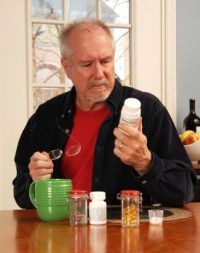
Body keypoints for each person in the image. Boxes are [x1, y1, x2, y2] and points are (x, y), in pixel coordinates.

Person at [13, 19, 196, 209]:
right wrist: (34, 182)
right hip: (63, 233)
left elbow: (185, 190)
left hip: (127, 233)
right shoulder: (46, 116)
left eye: (106, 61)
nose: (99, 73)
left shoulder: (149, 109)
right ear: (66, 67)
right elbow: (21, 195)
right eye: (87, 64)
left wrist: (145, 162)